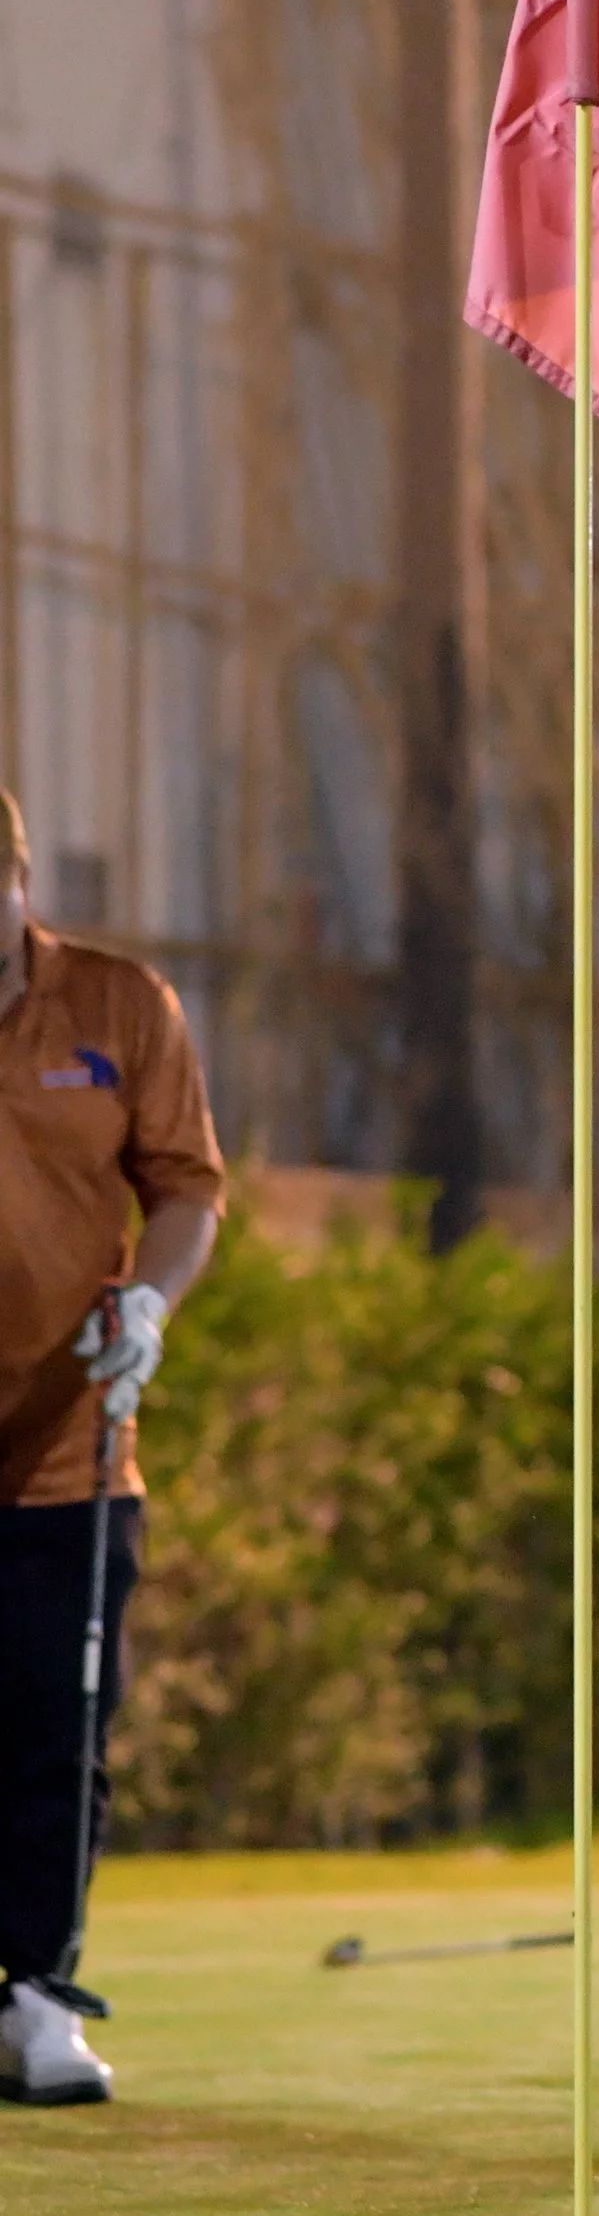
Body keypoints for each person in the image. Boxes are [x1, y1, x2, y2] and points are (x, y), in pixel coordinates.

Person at [0, 790, 224, 2105]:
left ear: (17, 875)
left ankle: (35, 1996)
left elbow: (188, 1186)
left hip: (69, 1444)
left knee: (60, 1723)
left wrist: (150, 1303)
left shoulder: (118, 1005)